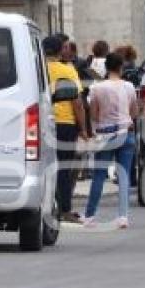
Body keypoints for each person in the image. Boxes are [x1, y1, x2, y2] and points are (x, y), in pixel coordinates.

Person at [84, 53, 139, 229]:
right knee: (124, 175)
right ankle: (123, 216)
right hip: (126, 132)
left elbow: (93, 113)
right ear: (121, 67)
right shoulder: (129, 87)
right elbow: (134, 111)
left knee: (99, 175)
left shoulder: (97, 89)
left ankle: (90, 216)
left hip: (105, 134)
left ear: (106, 68)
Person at [44, 35, 89, 223]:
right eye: (64, 47)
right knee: (64, 168)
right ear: (59, 50)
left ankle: (45, 205)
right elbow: (77, 103)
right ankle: (64, 209)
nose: (67, 50)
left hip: (42, 121)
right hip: (65, 123)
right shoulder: (67, 70)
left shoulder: (36, 69)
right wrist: (83, 128)